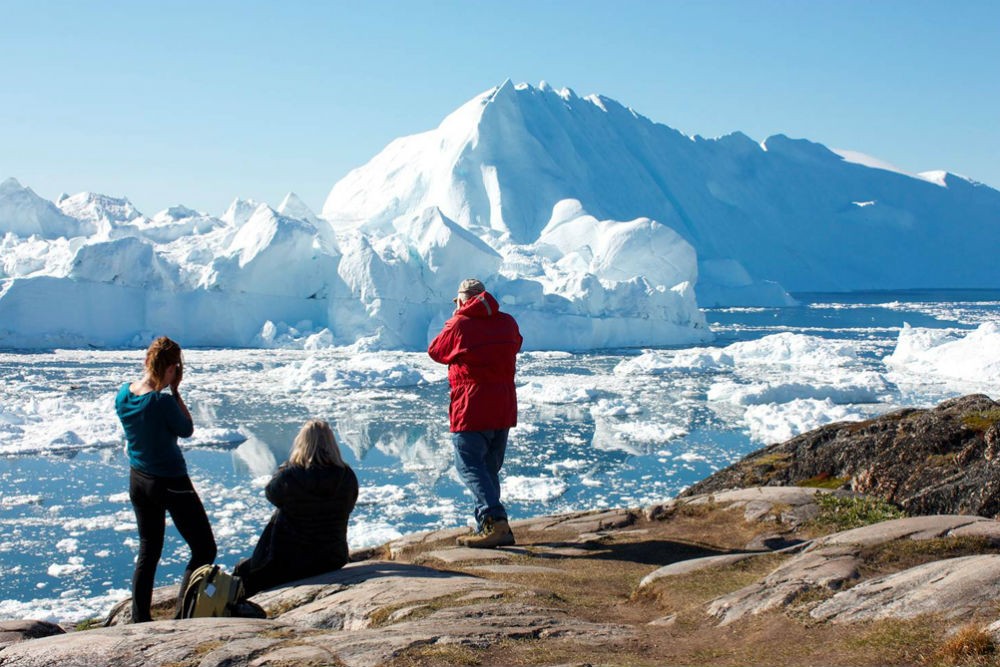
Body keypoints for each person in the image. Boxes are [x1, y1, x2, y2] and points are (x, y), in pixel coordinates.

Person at [115, 336, 217, 622]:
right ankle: (184, 615)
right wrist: (176, 392)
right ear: (171, 368)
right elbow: (186, 429)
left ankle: (140, 618)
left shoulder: (124, 394)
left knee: (149, 549)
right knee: (204, 547)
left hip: (139, 479)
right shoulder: (160, 402)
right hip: (172, 482)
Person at [428, 278, 523, 548]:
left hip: (472, 406)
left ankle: (496, 522)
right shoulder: (508, 322)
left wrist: (458, 316)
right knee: (488, 469)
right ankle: (487, 527)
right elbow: (515, 344)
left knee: (468, 464)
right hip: (503, 405)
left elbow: (436, 351)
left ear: (463, 300)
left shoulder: (459, 324)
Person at [235, 419, 359, 597]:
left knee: (244, 571)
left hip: (291, 560)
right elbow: (350, 504)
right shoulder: (347, 475)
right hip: (332, 557)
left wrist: (286, 468)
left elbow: (272, 494)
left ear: (302, 443)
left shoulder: (290, 475)